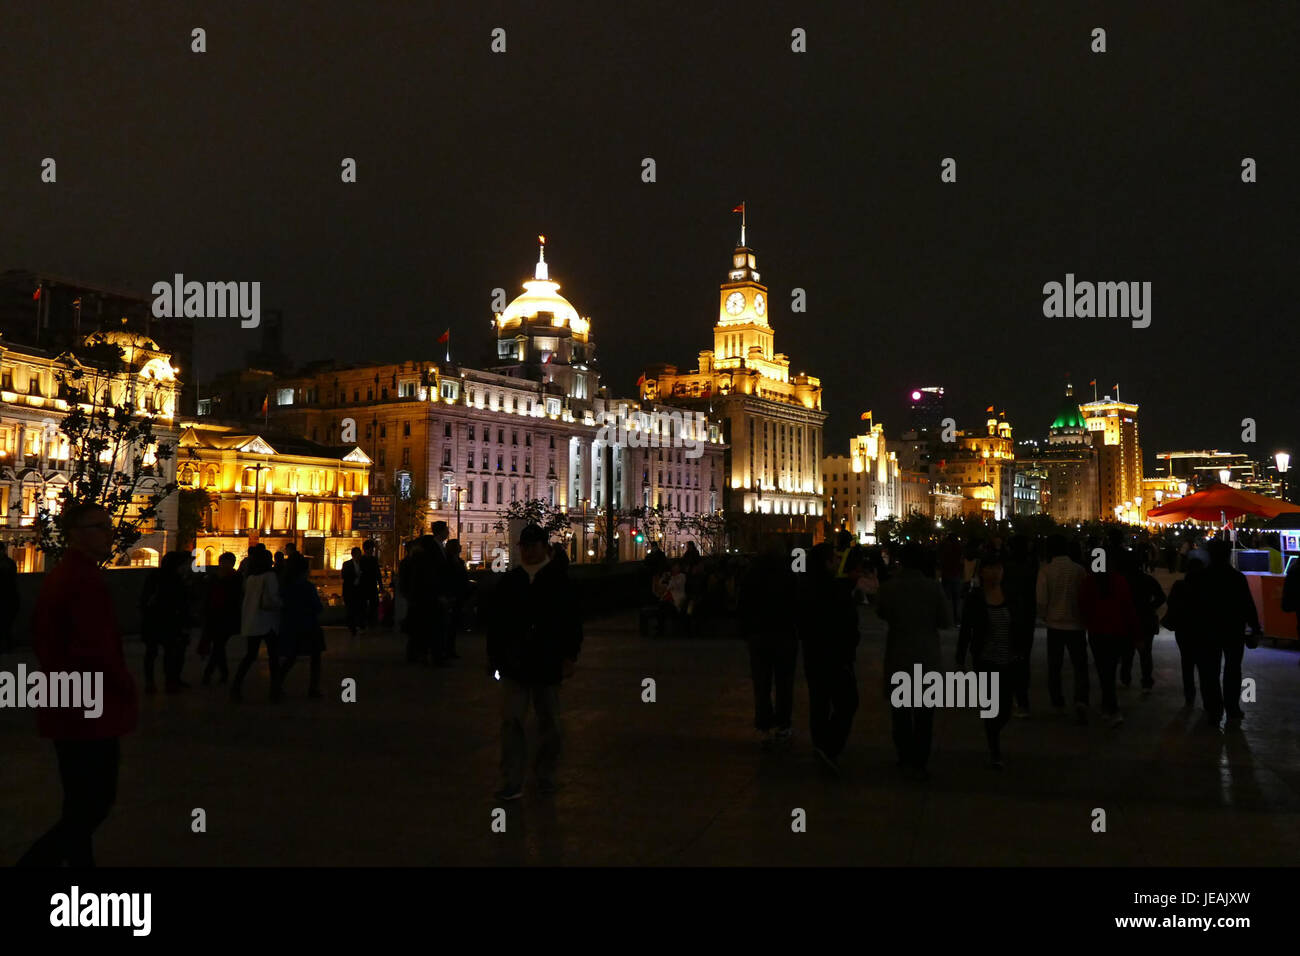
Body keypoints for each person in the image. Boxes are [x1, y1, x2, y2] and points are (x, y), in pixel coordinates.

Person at [19, 503, 137, 867]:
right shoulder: (81, 581)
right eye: (99, 527)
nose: (109, 532)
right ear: (75, 534)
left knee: (80, 804)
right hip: (86, 709)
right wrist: (122, 689)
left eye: (108, 525)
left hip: (69, 704)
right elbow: (95, 649)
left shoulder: (68, 576)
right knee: (92, 806)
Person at [486, 524, 582, 800]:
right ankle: (512, 779)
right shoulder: (511, 580)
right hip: (515, 663)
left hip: (547, 660)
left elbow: (572, 622)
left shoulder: (558, 580)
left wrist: (569, 656)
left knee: (550, 722)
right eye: (524, 546)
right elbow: (497, 624)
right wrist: (495, 657)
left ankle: (544, 774)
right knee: (512, 720)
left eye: (533, 546)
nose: (528, 551)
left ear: (544, 548)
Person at [875, 541, 952, 779]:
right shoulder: (933, 588)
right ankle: (920, 759)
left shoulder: (888, 588)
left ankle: (904, 754)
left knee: (900, 712)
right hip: (926, 656)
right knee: (924, 715)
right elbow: (946, 621)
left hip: (898, 654)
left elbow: (880, 613)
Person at [800, 542, 860, 774]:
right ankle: (830, 746)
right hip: (835, 656)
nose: (838, 563)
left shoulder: (805, 588)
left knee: (819, 701)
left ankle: (819, 745)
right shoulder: (835, 590)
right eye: (833, 559)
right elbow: (847, 624)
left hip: (812, 653)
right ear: (826, 563)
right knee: (848, 702)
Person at [957, 553, 1019, 769]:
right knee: (992, 708)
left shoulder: (1009, 595)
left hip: (1008, 660)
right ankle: (995, 750)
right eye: (991, 568)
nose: (996, 572)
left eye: (999, 568)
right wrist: (960, 658)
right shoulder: (975, 598)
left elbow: (1017, 625)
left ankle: (993, 732)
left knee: (1006, 709)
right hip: (986, 661)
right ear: (982, 572)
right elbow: (966, 629)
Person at [738, 537, 800, 750]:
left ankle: (764, 726)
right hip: (784, 635)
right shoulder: (788, 575)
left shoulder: (751, 575)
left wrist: (747, 631)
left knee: (761, 684)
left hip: (758, 636)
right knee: (784, 683)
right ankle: (783, 725)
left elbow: (743, 605)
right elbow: (796, 604)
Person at [1199, 540, 1262, 726]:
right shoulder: (1236, 577)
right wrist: (1255, 627)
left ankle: (1214, 709)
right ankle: (1232, 707)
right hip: (1233, 629)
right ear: (1228, 554)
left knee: (1210, 671)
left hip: (1209, 630)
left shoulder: (1202, 577)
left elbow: (1195, 607)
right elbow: (1248, 605)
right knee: (1233, 669)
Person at [1079, 548, 1139, 727]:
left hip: (1097, 633)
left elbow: (1083, 606)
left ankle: (1110, 708)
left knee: (1103, 671)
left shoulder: (1089, 582)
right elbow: (1128, 608)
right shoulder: (1119, 581)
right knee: (1110, 671)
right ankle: (1110, 708)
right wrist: (1136, 634)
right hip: (1117, 632)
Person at [1036, 534, 1090, 723]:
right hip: (1076, 624)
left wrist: (1045, 615)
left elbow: (1041, 600)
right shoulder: (1078, 570)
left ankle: (1058, 702)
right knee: (1080, 666)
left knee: (1054, 666)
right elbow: (1085, 595)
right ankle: (1081, 699)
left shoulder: (1046, 571)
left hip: (1055, 625)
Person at [230, 546, 283, 701]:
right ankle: (275, 689)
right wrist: (282, 604)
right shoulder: (269, 576)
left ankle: (236, 686)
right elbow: (272, 598)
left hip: (252, 621)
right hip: (267, 621)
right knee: (273, 657)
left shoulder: (250, 578)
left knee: (250, 655)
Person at [139, 551, 193, 694]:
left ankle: (151, 683)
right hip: (168, 621)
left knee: (152, 653)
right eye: (186, 564)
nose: (188, 567)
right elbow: (182, 603)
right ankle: (169, 682)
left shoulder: (155, 576)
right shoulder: (176, 580)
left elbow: (144, 599)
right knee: (168, 653)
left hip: (153, 621)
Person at [275, 553, 324, 699]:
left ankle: (276, 685)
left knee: (291, 657)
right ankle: (313, 689)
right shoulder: (307, 587)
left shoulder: (284, 586)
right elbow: (317, 607)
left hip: (290, 625)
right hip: (309, 625)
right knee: (315, 657)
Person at [1163, 557, 1207, 707]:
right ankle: (1208, 697)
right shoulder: (1206, 587)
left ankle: (1189, 695)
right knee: (1204, 664)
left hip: (1184, 629)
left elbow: (1171, 603)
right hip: (1202, 630)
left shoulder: (1180, 586)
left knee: (1186, 662)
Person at [1002, 536, 1038, 717]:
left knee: (1010, 658)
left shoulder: (1006, 569)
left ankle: (1013, 698)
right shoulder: (1032, 568)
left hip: (1010, 617)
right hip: (1027, 618)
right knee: (1023, 657)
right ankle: (1022, 700)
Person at [201, 552, 243, 686]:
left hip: (226, 616)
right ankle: (222, 673)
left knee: (218, 645)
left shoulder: (235, 578)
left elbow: (236, 597)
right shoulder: (214, 578)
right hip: (214, 615)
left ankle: (210, 673)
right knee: (219, 646)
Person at [443, 539, 470, 660]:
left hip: (457, 597)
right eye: (458, 545)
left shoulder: (458, 561)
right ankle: (447, 650)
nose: (461, 547)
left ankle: (450, 649)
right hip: (452, 597)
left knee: (453, 627)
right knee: (449, 626)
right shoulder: (449, 562)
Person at [341, 546, 364, 636]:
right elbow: (344, 576)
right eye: (357, 554)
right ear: (353, 555)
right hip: (350, 590)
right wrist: (355, 576)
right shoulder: (346, 564)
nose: (359, 556)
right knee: (350, 609)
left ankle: (360, 625)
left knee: (360, 608)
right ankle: (352, 627)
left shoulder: (362, 564)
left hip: (359, 590)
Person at [0, 541, 18, 653]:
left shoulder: (8, 564)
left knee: (5, 624)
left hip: (7, 598)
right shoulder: (9, 563)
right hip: (9, 598)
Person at [359, 539, 382, 630]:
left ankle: (370, 623)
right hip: (365, 586)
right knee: (364, 606)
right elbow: (377, 573)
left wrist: (380, 585)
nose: (372, 550)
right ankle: (365, 624)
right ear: (367, 549)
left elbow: (378, 573)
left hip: (370, 586)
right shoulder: (362, 560)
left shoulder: (372, 559)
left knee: (373, 605)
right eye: (372, 549)